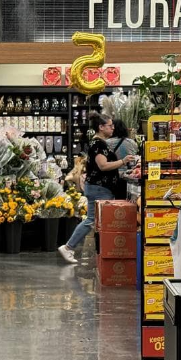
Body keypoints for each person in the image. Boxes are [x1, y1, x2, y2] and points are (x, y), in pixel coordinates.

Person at [58, 113, 135, 264]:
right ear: (101, 127)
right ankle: (68, 247)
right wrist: (122, 161)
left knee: (97, 220)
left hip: (100, 187)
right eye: (110, 125)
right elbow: (103, 165)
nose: (113, 128)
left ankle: (98, 250)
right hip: (99, 188)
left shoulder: (100, 143)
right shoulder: (98, 144)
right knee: (92, 220)